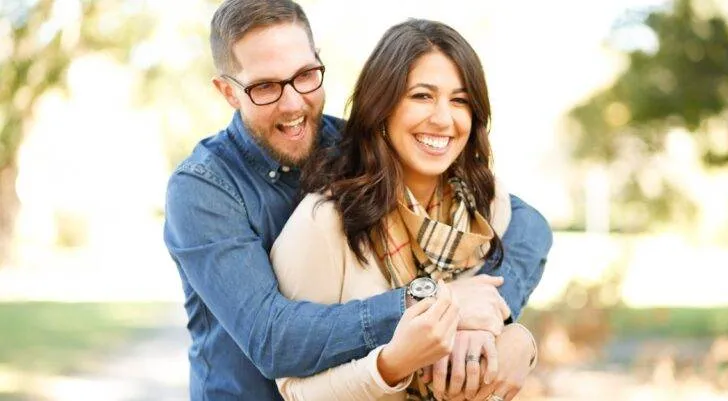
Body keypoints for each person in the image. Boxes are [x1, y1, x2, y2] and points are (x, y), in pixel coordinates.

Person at [163, 1, 553, 400]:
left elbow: (529, 225)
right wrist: (434, 304)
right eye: (265, 87)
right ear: (228, 91)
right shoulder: (203, 189)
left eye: (305, 76)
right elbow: (273, 339)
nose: (293, 103)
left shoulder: (356, 148)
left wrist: (496, 318)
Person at [270, 18, 542, 401]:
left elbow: (491, 314)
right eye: (422, 96)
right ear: (381, 107)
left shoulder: (486, 203)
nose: (443, 119)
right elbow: (294, 390)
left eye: (460, 100)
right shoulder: (324, 223)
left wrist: (520, 340)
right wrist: (392, 364)